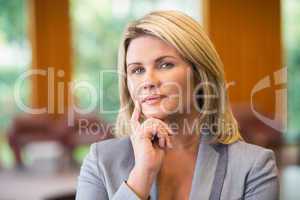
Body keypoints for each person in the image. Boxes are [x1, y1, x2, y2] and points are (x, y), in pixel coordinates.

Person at [76, 10, 279, 200]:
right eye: (137, 70)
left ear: (200, 75)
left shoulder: (254, 166)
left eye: (165, 64)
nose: (148, 81)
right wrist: (142, 174)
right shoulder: (100, 161)